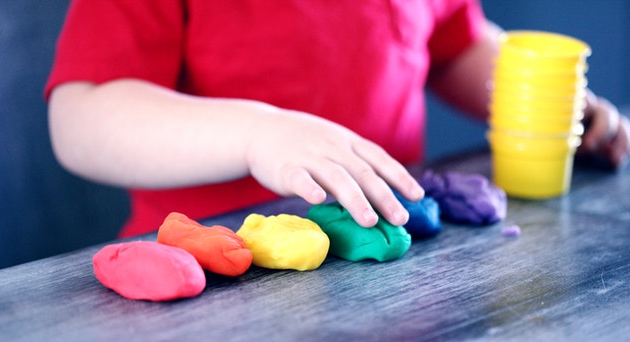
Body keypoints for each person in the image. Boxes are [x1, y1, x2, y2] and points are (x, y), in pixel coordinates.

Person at [45, 1, 629, 238]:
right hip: (210, 275)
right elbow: (83, 117)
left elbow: (454, 46)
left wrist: (552, 107)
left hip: (393, 261)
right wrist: (257, 134)